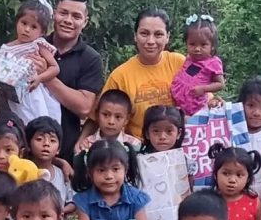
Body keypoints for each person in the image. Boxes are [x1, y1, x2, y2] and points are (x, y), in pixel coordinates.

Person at [77, 8, 184, 147]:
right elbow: (98, 115)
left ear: (167, 37)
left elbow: (201, 97)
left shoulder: (179, 63)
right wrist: (80, 143)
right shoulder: (120, 76)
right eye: (144, 34)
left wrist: (214, 101)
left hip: (178, 149)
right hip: (137, 151)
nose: (151, 41)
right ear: (135, 36)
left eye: (158, 34)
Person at [35, 0, 104, 162]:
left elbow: (84, 107)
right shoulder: (35, 45)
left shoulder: (90, 59)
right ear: (54, 14)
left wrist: (47, 75)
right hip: (25, 145)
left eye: (76, 16)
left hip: (65, 151)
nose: (68, 20)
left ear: (85, 22)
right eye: (63, 13)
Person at [2, 0, 61, 122]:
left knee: (36, 121)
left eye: (34, 27)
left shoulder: (37, 45)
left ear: (42, 32)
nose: (27, 29)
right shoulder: (6, 48)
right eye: (24, 23)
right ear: (17, 22)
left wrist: (40, 78)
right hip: (11, 96)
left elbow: (55, 68)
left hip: (32, 93)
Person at [25, 116, 75, 220]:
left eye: (52, 140)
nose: (46, 144)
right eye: (39, 139)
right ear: (28, 145)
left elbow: (72, 201)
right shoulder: (24, 173)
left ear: (58, 149)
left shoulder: (63, 174)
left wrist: (60, 210)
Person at [170, 14, 225, 115]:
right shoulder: (189, 58)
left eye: (203, 45)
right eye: (192, 44)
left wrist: (203, 89)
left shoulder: (213, 62)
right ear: (186, 43)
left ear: (212, 45)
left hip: (196, 105)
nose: (197, 49)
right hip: (178, 102)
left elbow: (220, 84)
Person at [76, 89, 142, 153]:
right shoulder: (87, 145)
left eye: (118, 117)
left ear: (126, 120)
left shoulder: (134, 145)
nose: (111, 122)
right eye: (105, 115)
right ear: (97, 115)